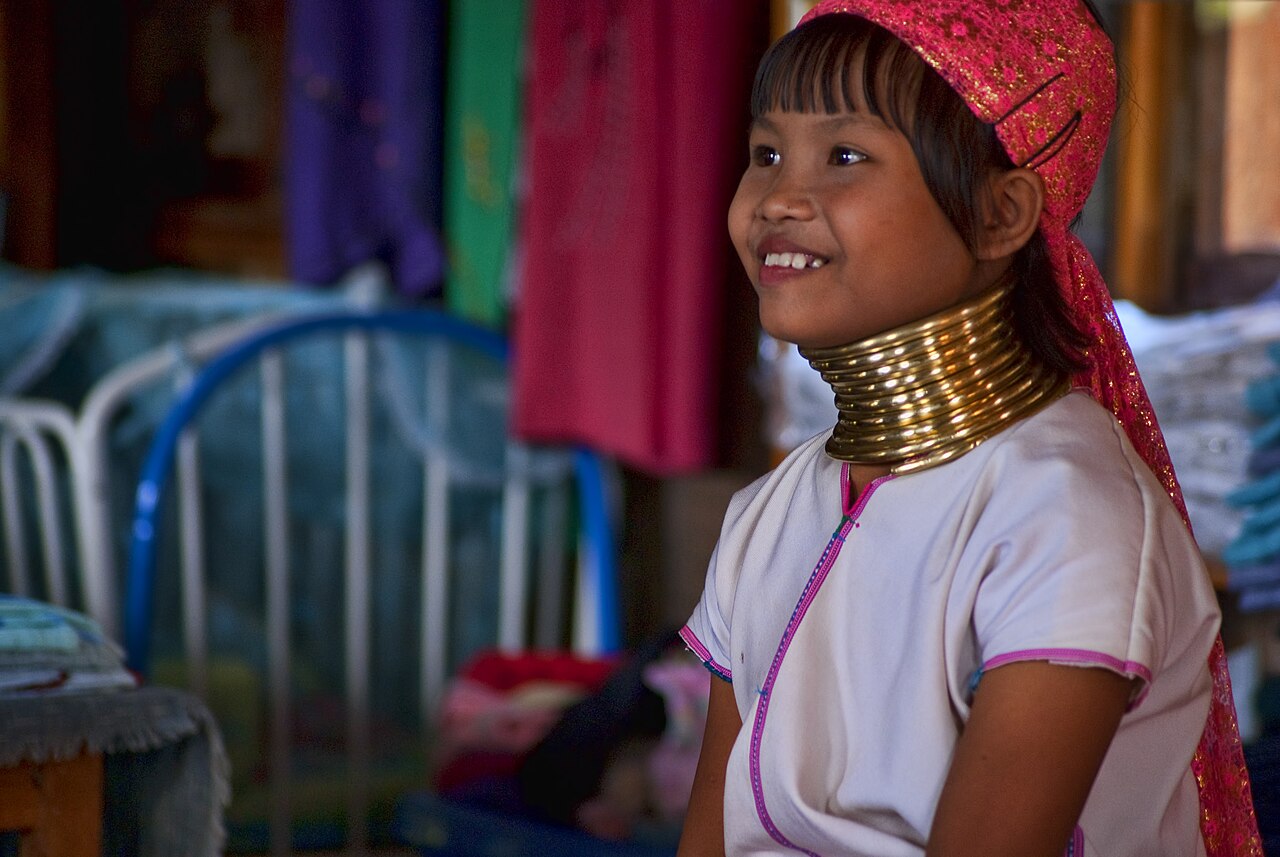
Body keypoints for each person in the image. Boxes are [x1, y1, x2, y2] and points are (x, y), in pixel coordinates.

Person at [677, 2, 1263, 855]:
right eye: (766, 153)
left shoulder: (1065, 515)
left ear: (999, 214)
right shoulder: (770, 513)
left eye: (844, 156)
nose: (779, 199)